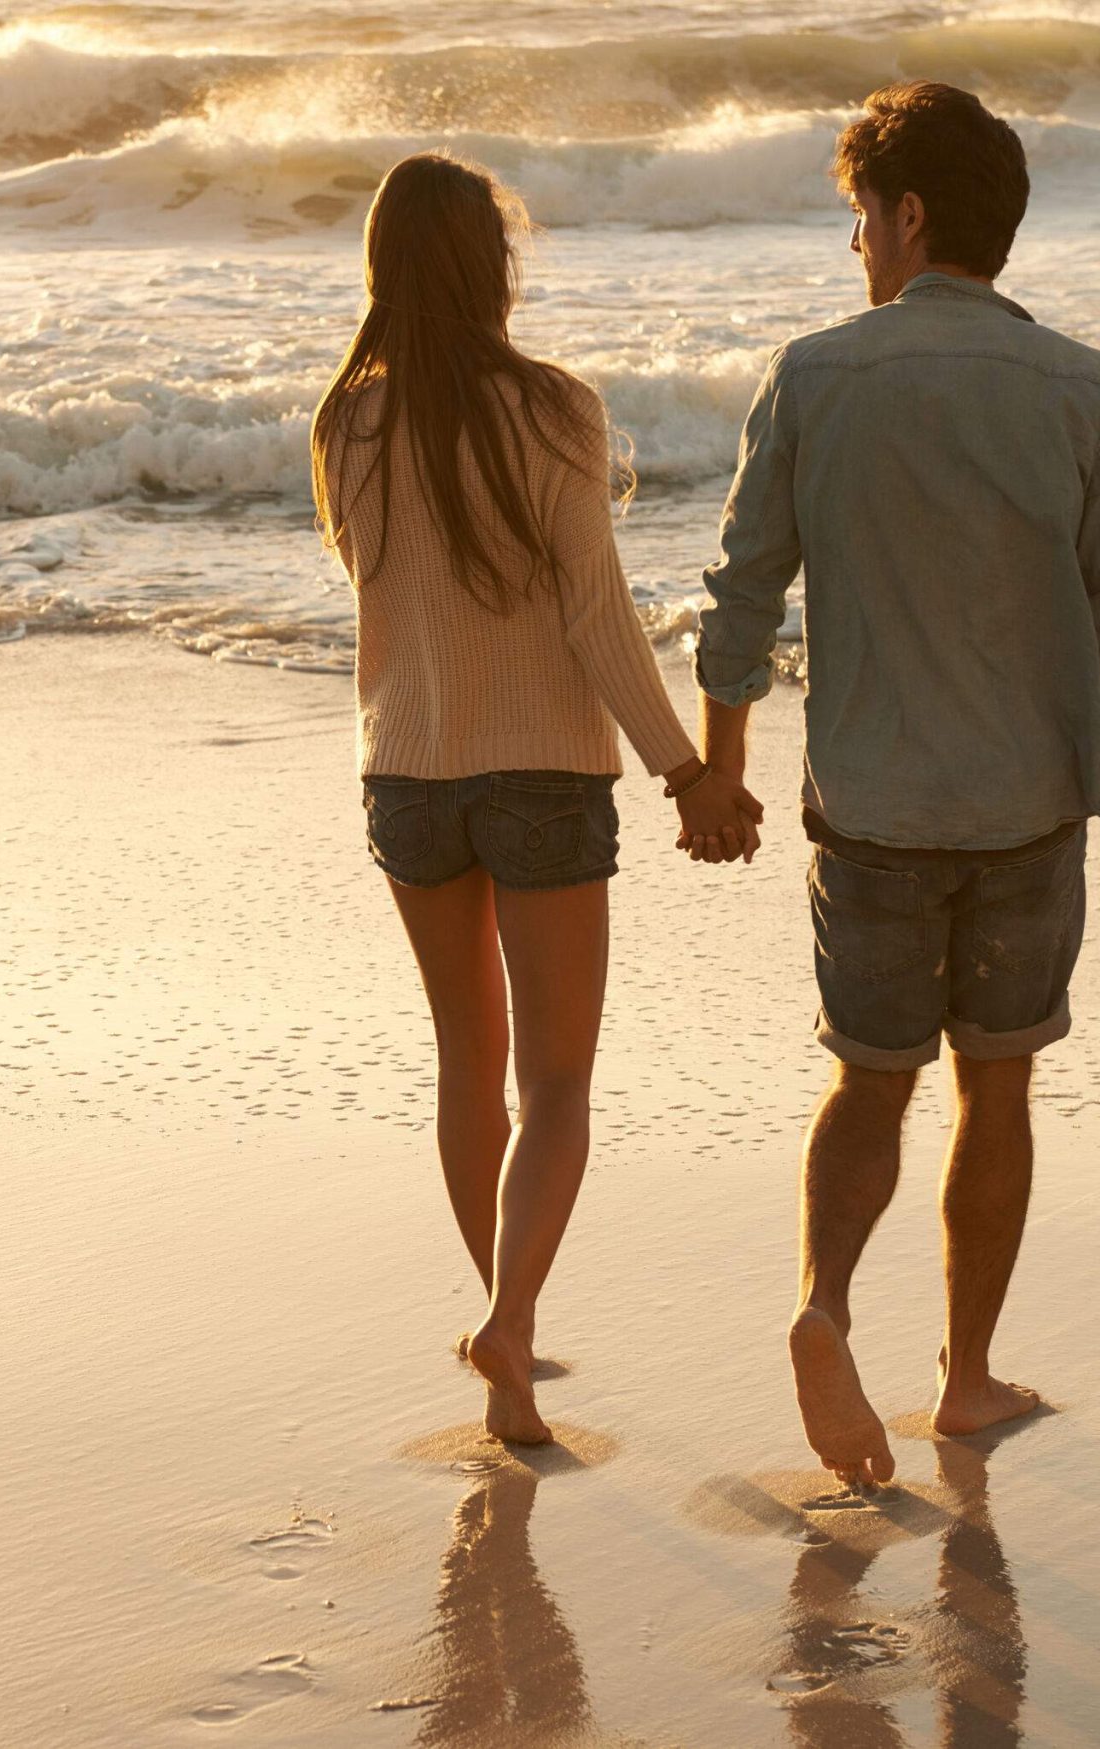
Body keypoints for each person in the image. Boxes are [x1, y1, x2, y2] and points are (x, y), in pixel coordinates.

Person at [688, 82, 1100, 1488]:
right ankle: (962, 1382)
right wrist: (1079, 735)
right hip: (1026, 807)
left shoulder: (815, 376)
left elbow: (740, 601)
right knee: (997, 1088)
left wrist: (722, 773)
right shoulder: (1091, 388)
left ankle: (826, 1308)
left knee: (869, 1079)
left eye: (858, 219)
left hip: (873, 809)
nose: (855, 249)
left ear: (906, 216)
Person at [313, 152, 763, 1446]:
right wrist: (687, 769)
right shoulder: (557, 410)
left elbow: (386, 597)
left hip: (405, 772)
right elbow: (593, 615)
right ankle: (510, 1319)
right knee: (557, 1086)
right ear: (494, 268)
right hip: (546, 778)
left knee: (472, 1062)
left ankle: (506, 1343)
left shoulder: (347, 421)